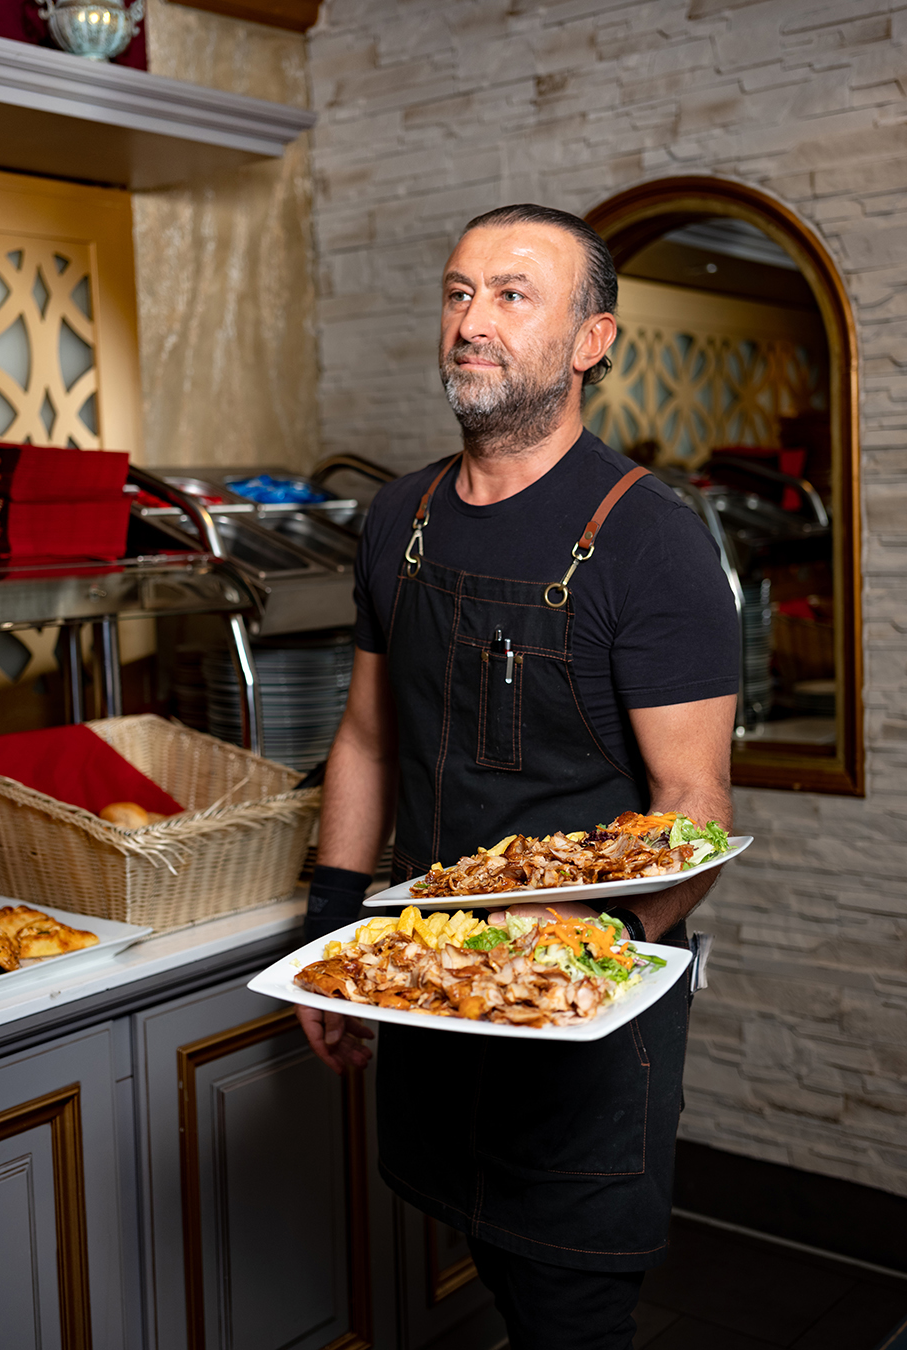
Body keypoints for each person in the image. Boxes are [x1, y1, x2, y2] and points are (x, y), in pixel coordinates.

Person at [296, 203, 739, 1350]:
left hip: (581, 1022)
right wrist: (329, 936)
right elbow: (367, 738)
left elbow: (693, 804)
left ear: (592, 339)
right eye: (459, 292)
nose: (471, 322)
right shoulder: (398, 519)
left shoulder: (651, 540)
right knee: (483, 1252)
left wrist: (593, 943)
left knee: (570, 1307)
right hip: (434, 994)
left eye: (511, 295)